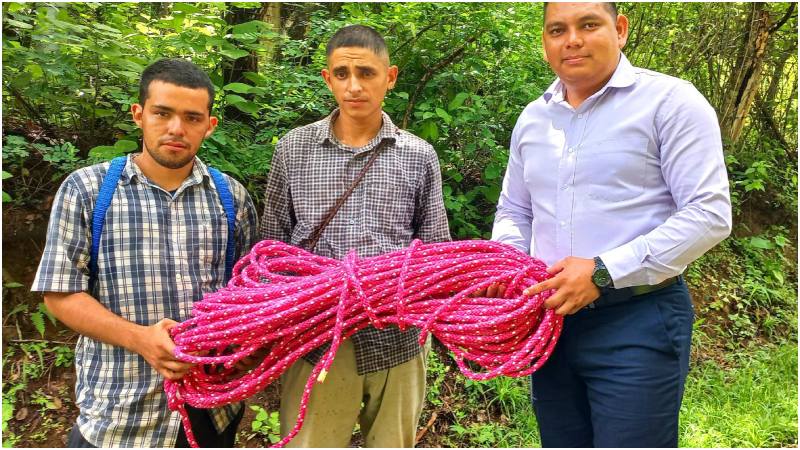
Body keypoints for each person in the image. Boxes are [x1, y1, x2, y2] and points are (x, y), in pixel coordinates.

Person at [489, 2, 732, 447]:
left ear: (620, 29)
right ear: (544, 41)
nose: (572, 40)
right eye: (557, 30)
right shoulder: (534, 118)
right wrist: (508, 266)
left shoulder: (670, 102)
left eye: (588, 25)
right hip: (550, 322)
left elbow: (709, 213)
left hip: (637, 319)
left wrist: (603, 271)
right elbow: (515, 211)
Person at [31, 58, 258, 447]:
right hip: (118, 413)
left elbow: (251, 296)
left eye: (191, 118)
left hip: (212, 411)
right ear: (139, 114)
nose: (176, 128)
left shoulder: (231, 198)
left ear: (209, 125)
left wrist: (247, 347)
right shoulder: (87, 191)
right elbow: (60, 294)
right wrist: (140, 339)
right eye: (162, 113)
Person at [259, 25, 451, 448]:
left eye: (366, 73)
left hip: (399, 339)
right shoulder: (293, 149)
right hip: (315, 339)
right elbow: (271, 248)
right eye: (342, 74)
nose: (354, 86)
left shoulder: (419, 155)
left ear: (390, 77)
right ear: (327, 78)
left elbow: (436, 253)